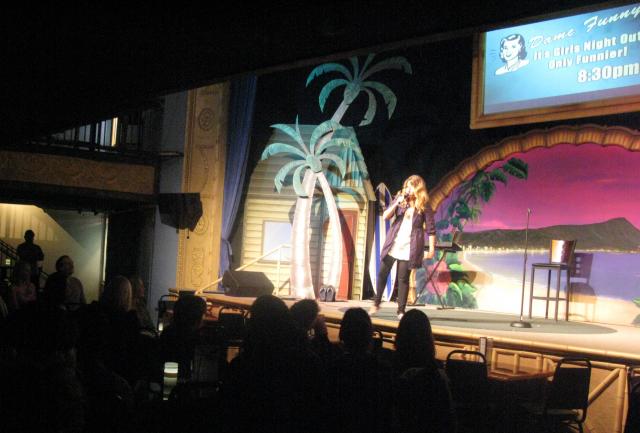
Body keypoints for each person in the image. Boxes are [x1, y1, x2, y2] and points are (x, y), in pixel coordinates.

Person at [369, 174, 436, 319]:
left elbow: (431, 229)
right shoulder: (400, 200)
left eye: (410, 187)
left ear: (417, 188)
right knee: (382, 273)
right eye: (406, 187)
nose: (407, 189)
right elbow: (386, 216)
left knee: (403, 279)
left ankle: (401, 310)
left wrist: (431, 250)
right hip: (394, 243)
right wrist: (396, 203)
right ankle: (376, 303)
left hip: (409, 247)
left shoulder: (424, 205)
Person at [392, 310, 455, 433]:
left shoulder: (389, 369)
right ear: (428, 338)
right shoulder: (437, 375)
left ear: (399, 336)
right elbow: (449, 421)